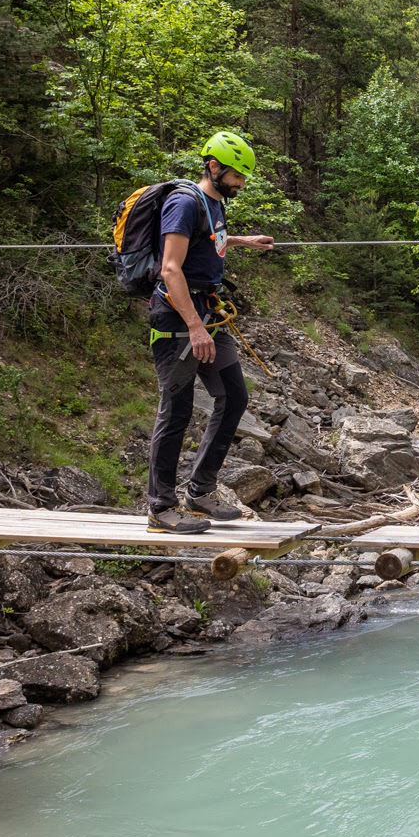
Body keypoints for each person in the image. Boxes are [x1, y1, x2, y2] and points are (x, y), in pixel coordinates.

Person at [145, 131, 276, 535]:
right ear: (214, 167)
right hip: (179, 319)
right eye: (237, 176)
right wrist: (194, 326)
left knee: (234, 397)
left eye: (244, 177)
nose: (241, 184)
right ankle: (160, 507)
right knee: (177, 410)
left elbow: (206, 240)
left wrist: (240, 241)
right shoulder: (184, 203)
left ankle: (200, 491)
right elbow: (170, 268)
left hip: (207, 312)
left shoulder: (212, 203)